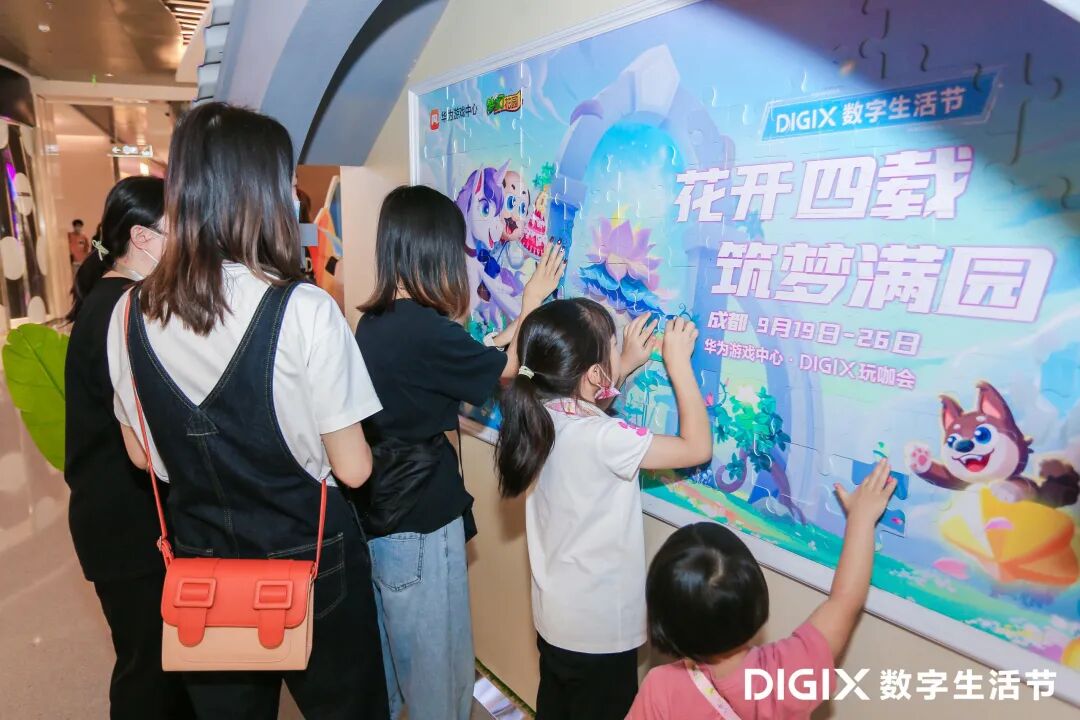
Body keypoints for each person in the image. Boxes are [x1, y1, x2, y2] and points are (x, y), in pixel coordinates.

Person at [106, 102, 388, 719]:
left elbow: (143, 456)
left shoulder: (128, 314)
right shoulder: (305, 309)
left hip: (205, 568)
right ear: (259, 192)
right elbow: (355, 468)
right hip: (311, 560)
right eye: (285, 180)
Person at [353, 184, 564, 720]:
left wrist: (515, 323)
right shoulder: (425, 330)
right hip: (419, 523)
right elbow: (507, 368)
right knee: (438, 679)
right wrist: (533, 300)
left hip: (387, 517)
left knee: (402, 670)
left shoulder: (378, 322)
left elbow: (478, 355)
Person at [495, 300, 713, 720]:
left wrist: (622, 364)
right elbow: (696, 447)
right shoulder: (604, 437)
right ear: (594, 373)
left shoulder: (538, 414)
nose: (618, 349)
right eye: (613, 345)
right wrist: (678, 365)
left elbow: (588, 411)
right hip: (599, 632)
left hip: (556, 619)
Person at [64, 177, 194, 720]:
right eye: (180, 228)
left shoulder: (108, 299)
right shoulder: (127, 308)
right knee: (151, 676)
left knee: (154, 666)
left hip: (112, 520)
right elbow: (149, 434)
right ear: (142, 237)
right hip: (130, 526)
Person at [628, 460, 896, 719]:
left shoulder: (660, 689)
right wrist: (861, 518)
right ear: (756, 599)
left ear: (663, 620)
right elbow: (845, 600)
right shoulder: (788, 676)